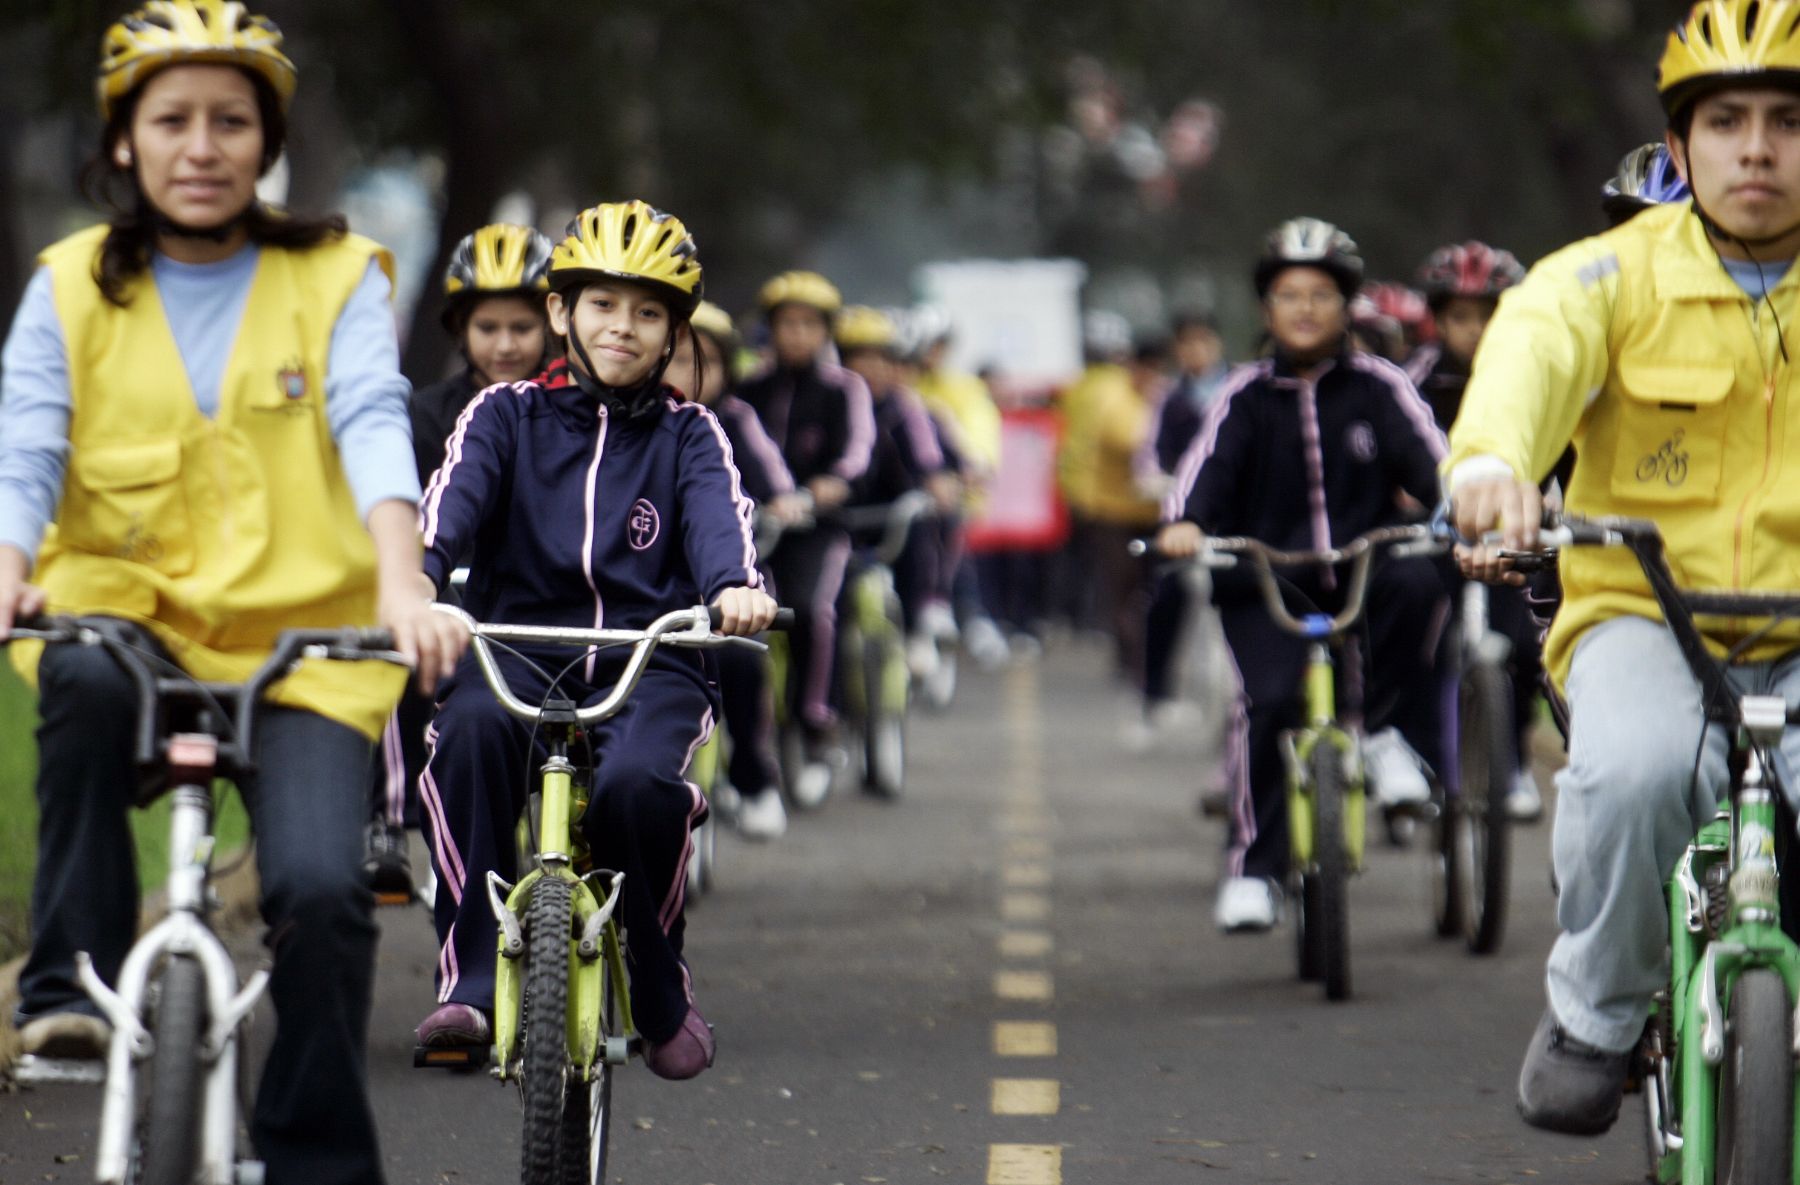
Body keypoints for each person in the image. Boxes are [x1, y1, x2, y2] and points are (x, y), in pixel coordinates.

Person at [0, 3, 469, 1180]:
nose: (200, 146)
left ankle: (312, 1154)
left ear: (267, 144)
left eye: (230, 121)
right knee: (83, 678)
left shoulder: (336, 274)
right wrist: (8, 568)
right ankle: (67, 984)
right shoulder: (65, 289)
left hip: (309, 643)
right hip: (133, 621)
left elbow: (371, 421)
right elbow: (27, 452)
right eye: (171, 122)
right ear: (123, 144)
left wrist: (404, 583)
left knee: (321, 889)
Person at [1449, 0, 1800, 1135]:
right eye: (1729, 119)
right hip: (1648, 616)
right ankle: (1594, 1017)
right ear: (1684, 140)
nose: (1758, 148)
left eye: (1790, 121)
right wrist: (1494, 463)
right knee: (1637, 774)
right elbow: (1530, 352)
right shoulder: (1607, 279)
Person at [413, 200, 776, 1081]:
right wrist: (420, 582)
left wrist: (734, 589)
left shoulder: (695, 433)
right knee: (463, 738)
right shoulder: (501, 416)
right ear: (560, 313)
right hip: (513, 651)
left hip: (648, 661)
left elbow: (720, 530)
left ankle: (659, 974)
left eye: (648, 312)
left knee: (638, 788)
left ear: (673, 333)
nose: (624, 327)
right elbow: (448, 512)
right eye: (604, 305)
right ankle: (464, 969)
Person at [1158, 217, 1448, 933]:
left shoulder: (1379, 386)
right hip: (1268, 578)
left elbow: (1436, 466)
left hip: (1362, 567)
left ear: (1346, 305)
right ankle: (1254, 870)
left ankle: (1383, 737)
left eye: (1322, 293)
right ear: (1267, 309)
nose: (1307, 308)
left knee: (1419, 584)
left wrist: (1464, 505)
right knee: (1269, 701)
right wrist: (1185, 523)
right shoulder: (1244, 394)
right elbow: (1203, 476)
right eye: (1290, 294)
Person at [366, 222, 555, 896]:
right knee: (389, 640)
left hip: (530, 602)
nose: (505, 345)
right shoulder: (422, 415)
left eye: (521, 327)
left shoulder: (566, 414)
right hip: (442, 588)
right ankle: (386, 819)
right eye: (488, 327)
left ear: (552, 326)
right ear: (459, 330)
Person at [1403, 242, 1544, 822]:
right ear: (1437, 319)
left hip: (1510, 535)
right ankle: (1418, 753)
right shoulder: (1411, 381)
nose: (1477, 331)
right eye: (1461, 317)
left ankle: (1511, 762)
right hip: (1435, 536)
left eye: (1490, 315)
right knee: (1416, 630)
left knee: (1526, 649)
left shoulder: (1535, 375)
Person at [735, 271, 875, 807]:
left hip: (820, 529)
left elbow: (857, 453)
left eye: (808, 325)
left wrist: (829, 486)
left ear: (826, 332)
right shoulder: (748, 387)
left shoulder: (845, 388)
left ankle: (817, 727)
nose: (795, 334)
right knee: (736, 624)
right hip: (753, 528)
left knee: (814, 611)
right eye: (786, 324)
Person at [669, 299, 806, 839]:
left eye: (707, 361)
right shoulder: (635, 422)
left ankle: (754, 776)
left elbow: (775, 482)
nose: (691, 373)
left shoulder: (734, 420)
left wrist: (785, 504)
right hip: (647, 592)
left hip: (729, 581)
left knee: (745, 662)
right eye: (679, 358)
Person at [835, 306, 962, 681]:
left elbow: (927, 457)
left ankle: (921, 622)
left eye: (883, 359)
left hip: (891, 512)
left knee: (919, 531)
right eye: (861, 357)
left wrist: (936, 481)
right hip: (837, 518)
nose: (872, 368)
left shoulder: (903, 407)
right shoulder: (830, 403)